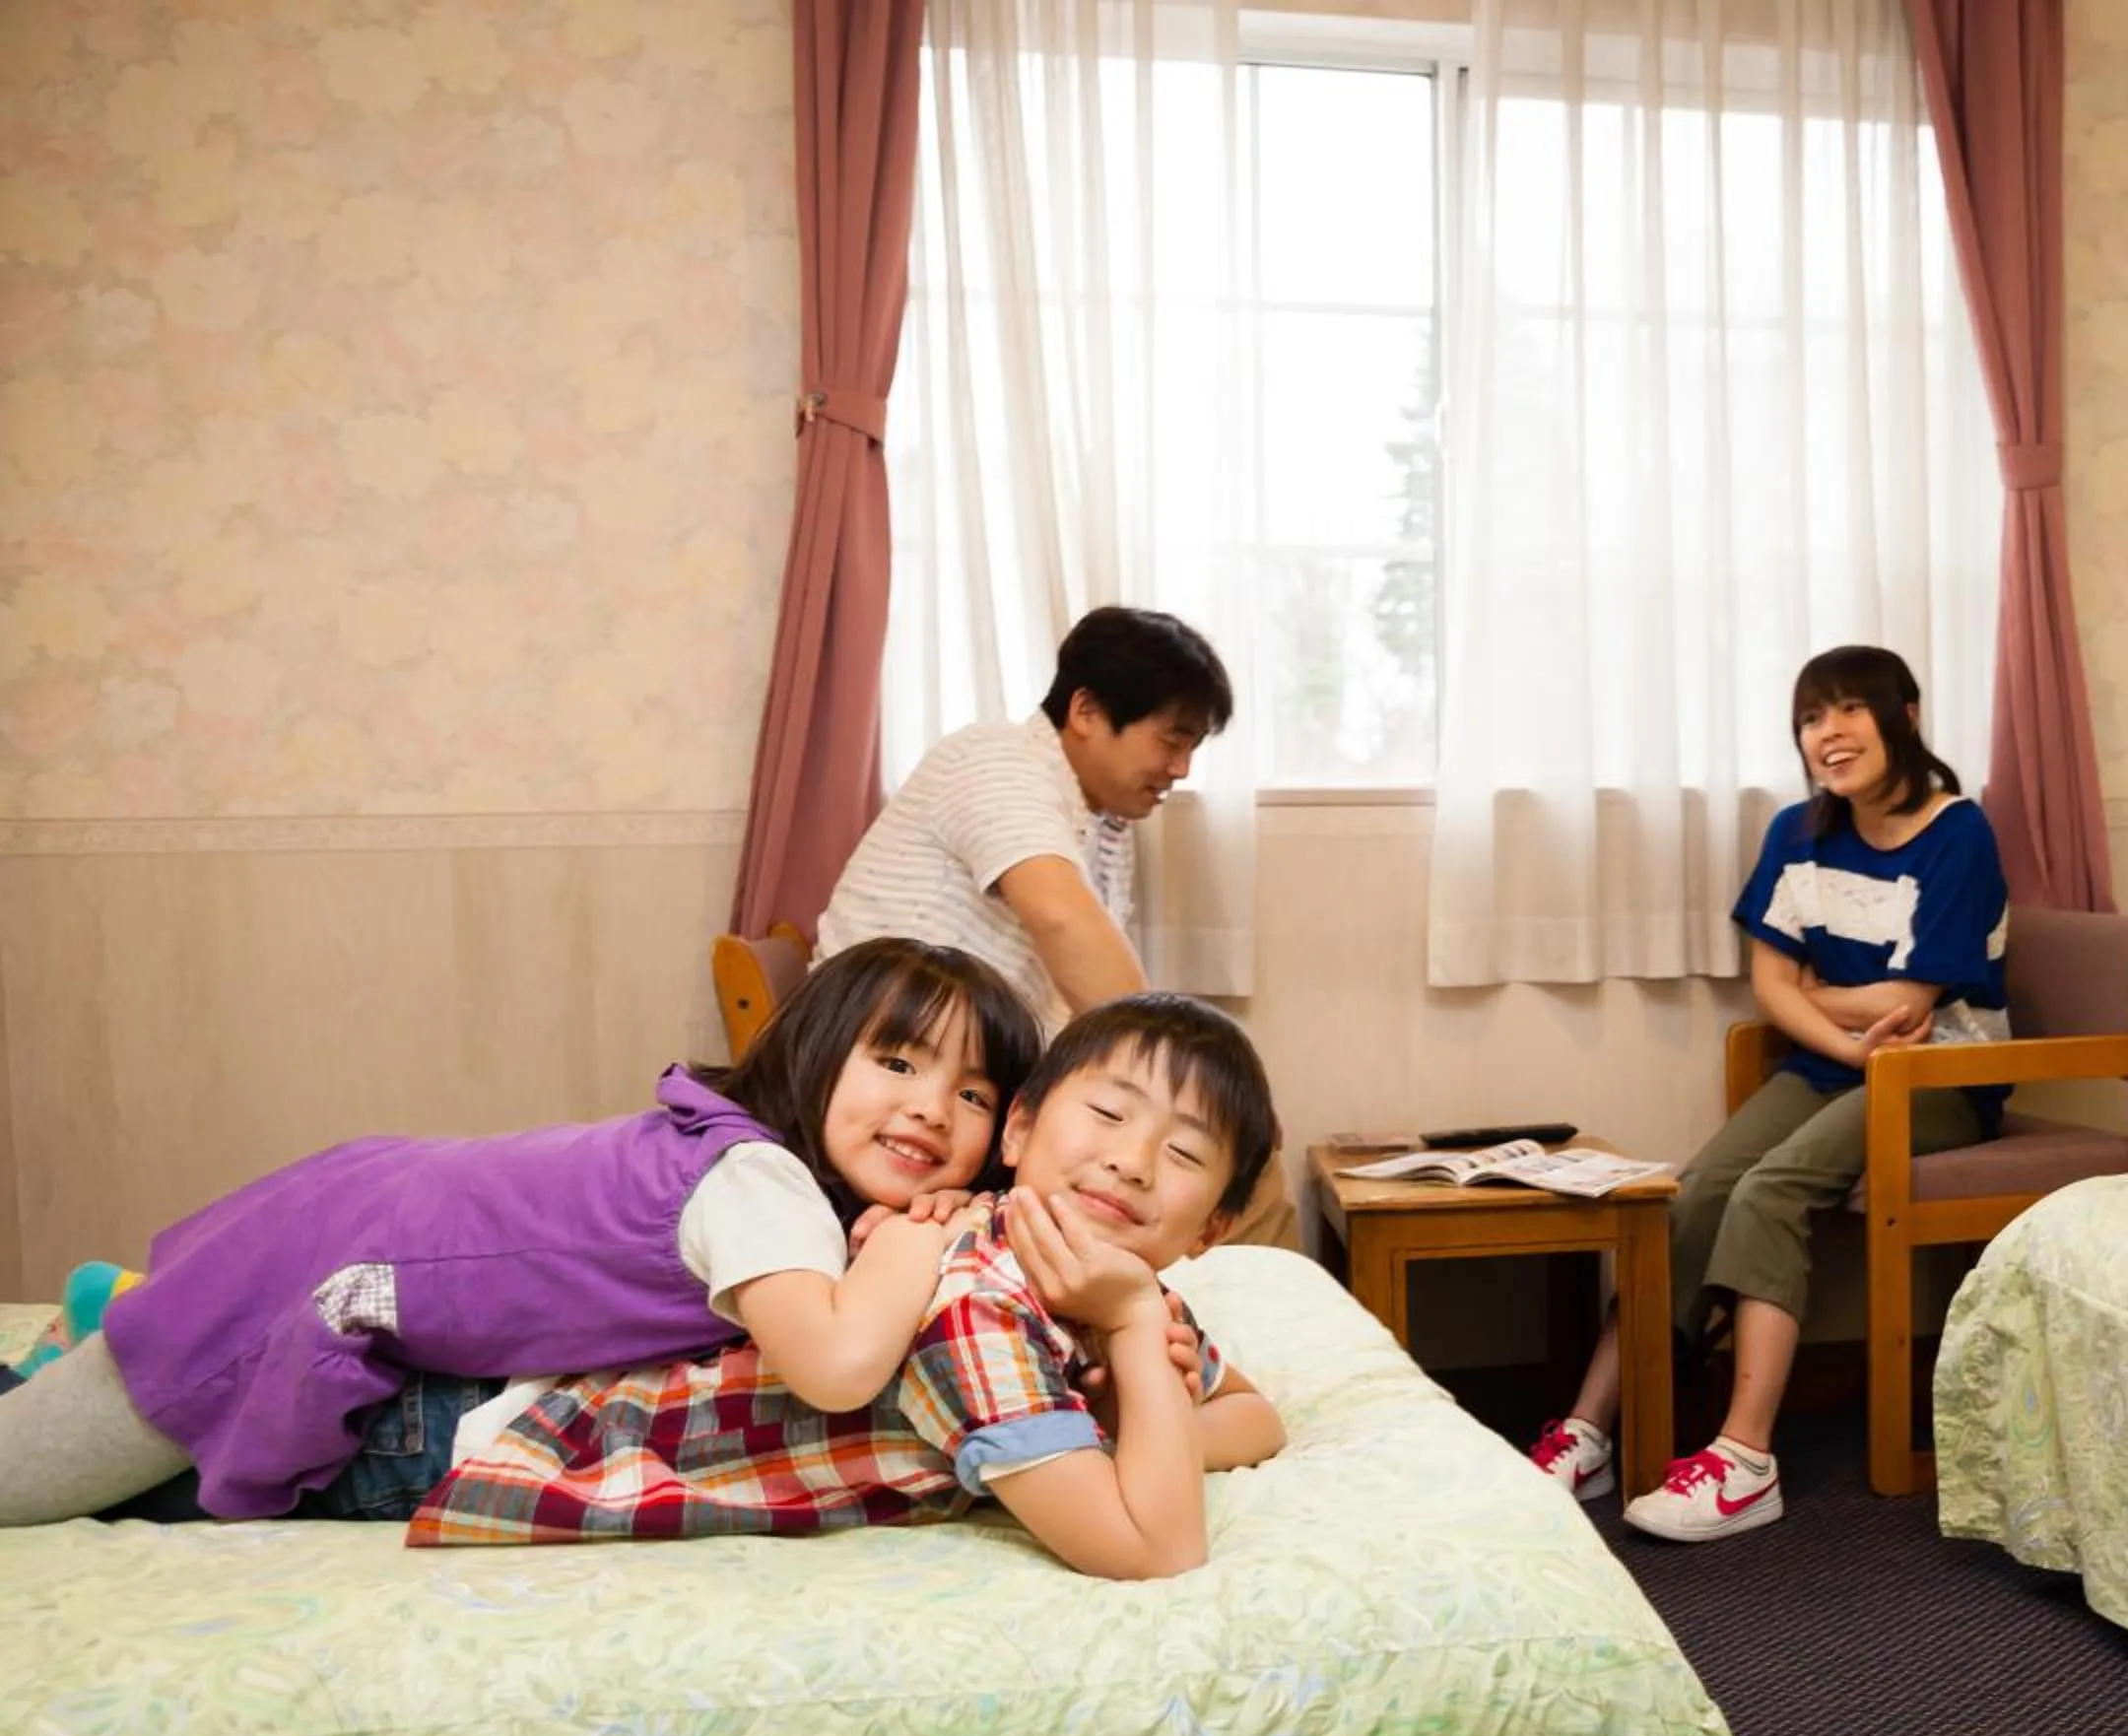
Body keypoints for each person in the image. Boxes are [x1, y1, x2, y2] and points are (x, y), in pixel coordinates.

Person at [0, 938, 1041, 1528]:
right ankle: (127, 1334)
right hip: (317, 1276)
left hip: (353, 1205)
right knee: (33, 1480)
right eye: (898, 1063)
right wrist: (915, 1243)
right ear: (814, 1050)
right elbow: (836, 1367)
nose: (931, 1109)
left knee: (158, 1401)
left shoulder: (747, 1158)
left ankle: (119, 1310)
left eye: (975, 1092)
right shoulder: (757, 1182)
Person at [407, 992, 1288, 1581]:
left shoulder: (1105, 1284)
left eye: (1181, 1154)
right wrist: (1135, 1341)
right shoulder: (981, 1303)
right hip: (492, 1442)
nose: (1129, 1162)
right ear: (1017, 1129)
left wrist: (1133, 1408)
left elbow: (1255, 1416)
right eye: (1107, 1114)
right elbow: (1154, 1546)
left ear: (1213, 1228)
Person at [1531, 646, 2011, 1543]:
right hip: (1842, 1065)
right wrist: (1837, 1029)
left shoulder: (1960, 835)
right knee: (1690, 1193)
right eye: (1810, 718)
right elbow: (1771, 990)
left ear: (1904, 713)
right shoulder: (1798, 832)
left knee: (1771, 1188)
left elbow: (1909, 1009)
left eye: (1849, 711)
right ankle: (1591, 1428)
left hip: (1945, 1076)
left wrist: (1810, 996)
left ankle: (1747, 1462)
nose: (1828, 733)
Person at [818, 605, 1297, 1249]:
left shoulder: (1098, 823)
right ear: (1087, 712)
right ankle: (1226, 1324)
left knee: (1215, 1143)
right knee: (1240, 1150)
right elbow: (1061, 918)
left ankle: (1187, 1311)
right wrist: (1183, 1072)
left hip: (972, 1065)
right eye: (1172, 740)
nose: (1181, 769)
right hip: (906, 1060)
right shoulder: (997, 760)